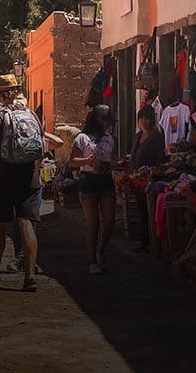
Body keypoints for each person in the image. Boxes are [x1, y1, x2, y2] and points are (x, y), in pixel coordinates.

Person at [0, 74, 41, 293]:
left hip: (4, 178)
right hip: (29, 177)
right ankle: (30, 276)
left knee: (1, 226)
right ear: (16, 92)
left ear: (0, 94)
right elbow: (39, 146)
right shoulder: (31, 114)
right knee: (26, 224)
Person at [70, 105, 116, 275]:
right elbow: (72, 161)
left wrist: (112, 164)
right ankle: (92, 261)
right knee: (93, 223)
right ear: (98, 120)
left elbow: (112, 157)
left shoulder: (109, 138)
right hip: (88, 180)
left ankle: (101, 249)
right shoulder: (82, 138)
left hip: (106, 179)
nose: (107, 125)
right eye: (105, 121)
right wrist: (87, 162)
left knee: (110, 222)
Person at [128, 105, 166, 251]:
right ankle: (145, 241)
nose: (144, 121)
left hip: (151, 180)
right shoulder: (138, 136)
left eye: (147, 119)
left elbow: (159, 159)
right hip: (138, 179)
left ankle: (155, 243)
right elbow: (133, 156)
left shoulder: (156, 135)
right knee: (142, 211)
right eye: (141, 118)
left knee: (152, 212)